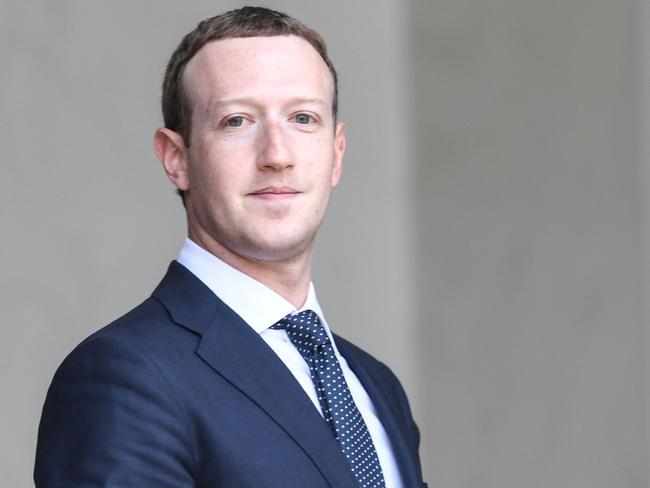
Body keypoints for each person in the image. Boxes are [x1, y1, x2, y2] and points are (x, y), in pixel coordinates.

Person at [34, 7, 426, 487]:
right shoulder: (124, 376)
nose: (277, 155)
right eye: (237, 121)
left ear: (335, 154)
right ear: (177, 159)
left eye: (303, 118)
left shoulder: (375, 385)